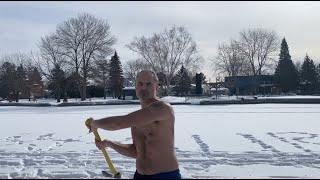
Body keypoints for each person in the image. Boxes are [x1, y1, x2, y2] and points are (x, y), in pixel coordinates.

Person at [86, 70, 181, 179]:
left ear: (157, 87)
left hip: (165, 176)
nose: (144, 88)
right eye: (140, 84)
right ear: (135, 87)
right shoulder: (136, 119)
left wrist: (95, 123)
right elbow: (136, 151)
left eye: (148, 84)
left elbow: (119, 123)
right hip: (140, 175)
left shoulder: (163, 108)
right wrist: (109, 143)